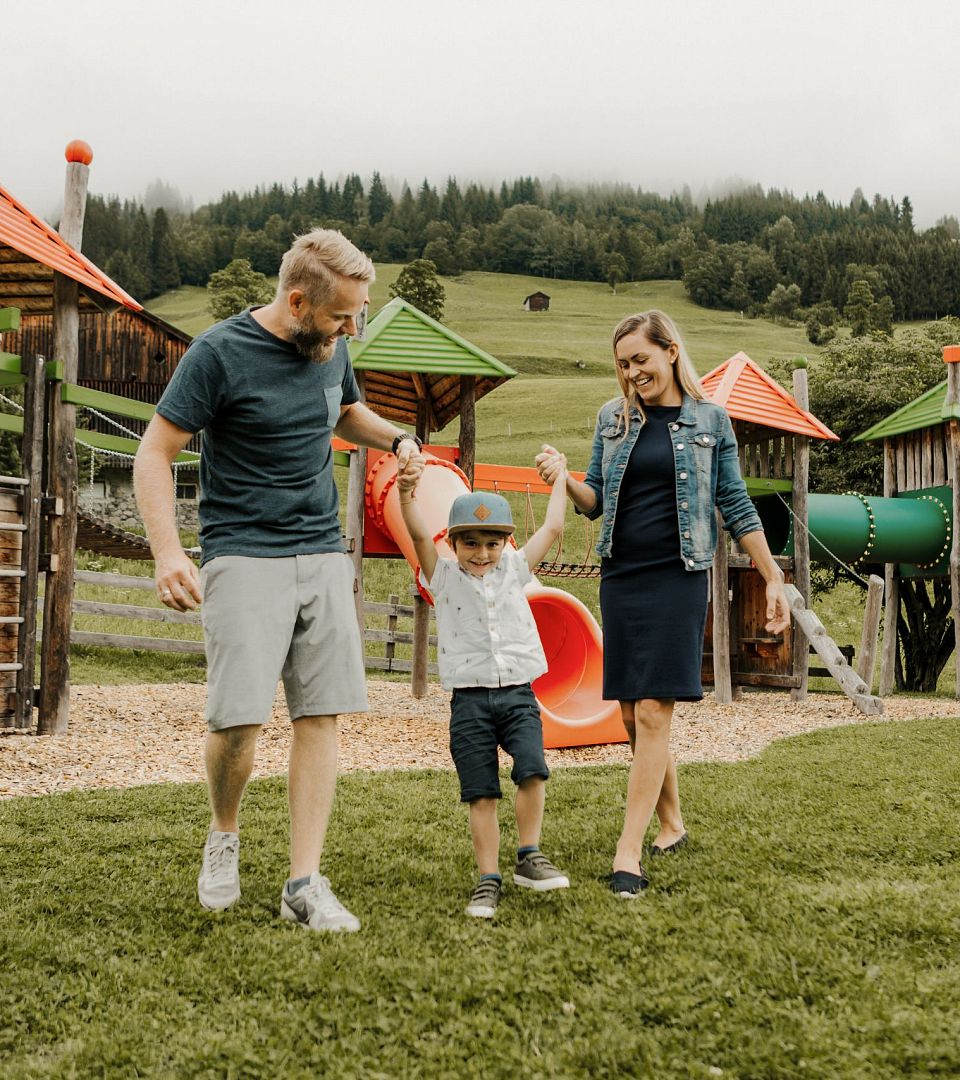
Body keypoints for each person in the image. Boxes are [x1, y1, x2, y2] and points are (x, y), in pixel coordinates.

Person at [133, 228, 425, 932]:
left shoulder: (333, 344)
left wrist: (399, 438)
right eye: (339, 317)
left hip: (322, 552)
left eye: (357, 315)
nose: (351, 327)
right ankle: (225, 832)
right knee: (238, 723)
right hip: (242, 553)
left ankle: (304, 882)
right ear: (297, 301)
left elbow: (345, 409)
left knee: (319, 714)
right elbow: (154, 450)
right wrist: (169, 553)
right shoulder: (218, 355)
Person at [536, 310, 790, 899]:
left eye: (640, 360)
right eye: (623, 364)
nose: (631, 373)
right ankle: (672, 820)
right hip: (622, 574)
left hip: (678, 574)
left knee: (653, 711)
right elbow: (594, 499)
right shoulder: (613, 418)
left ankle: (629, 852)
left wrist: (771, 573)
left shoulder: (711, 420)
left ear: (670, 351)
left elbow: (735, 503)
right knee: (630, 714)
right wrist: (562, 477)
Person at [397, 468, 570, 919]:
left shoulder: (515, 569)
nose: (482, 553)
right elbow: (416, 534)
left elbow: (552, 526)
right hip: (470, 702)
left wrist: (560, 480)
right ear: (452, 545)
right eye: (470, 542)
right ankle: (488, 877)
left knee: (532, 768)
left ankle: (529, 855)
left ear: (506, 545)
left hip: (517, 694)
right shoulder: (443, 578)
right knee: (482, 792)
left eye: (492, 543)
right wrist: (406, 494)